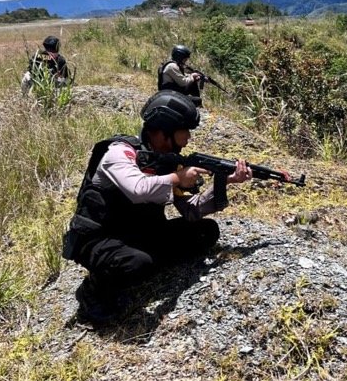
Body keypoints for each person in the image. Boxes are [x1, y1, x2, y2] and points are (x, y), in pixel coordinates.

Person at [62, 90, 253, 325]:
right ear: (165, 131)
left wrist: (226, 181)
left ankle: (145, 260)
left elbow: (191, 210)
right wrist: (178, 178)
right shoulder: (120, 153)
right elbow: (138, 188)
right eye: (185, 131)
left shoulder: (166, 160)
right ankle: (92, 292)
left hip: (138, 233)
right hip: (99, 238)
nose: (188, 139)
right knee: (138, 263)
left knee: (206, 231)